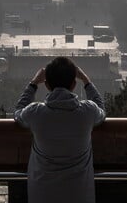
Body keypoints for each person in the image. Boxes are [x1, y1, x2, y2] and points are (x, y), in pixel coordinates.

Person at [14, 56, 106, 203]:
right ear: (74, 84)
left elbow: (18, 113)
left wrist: (33, 84)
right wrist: (86, 80)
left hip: (42, 194)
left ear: (47, 85)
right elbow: (101, 109)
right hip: (79, 194)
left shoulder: (36, 113)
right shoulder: (87, 111)